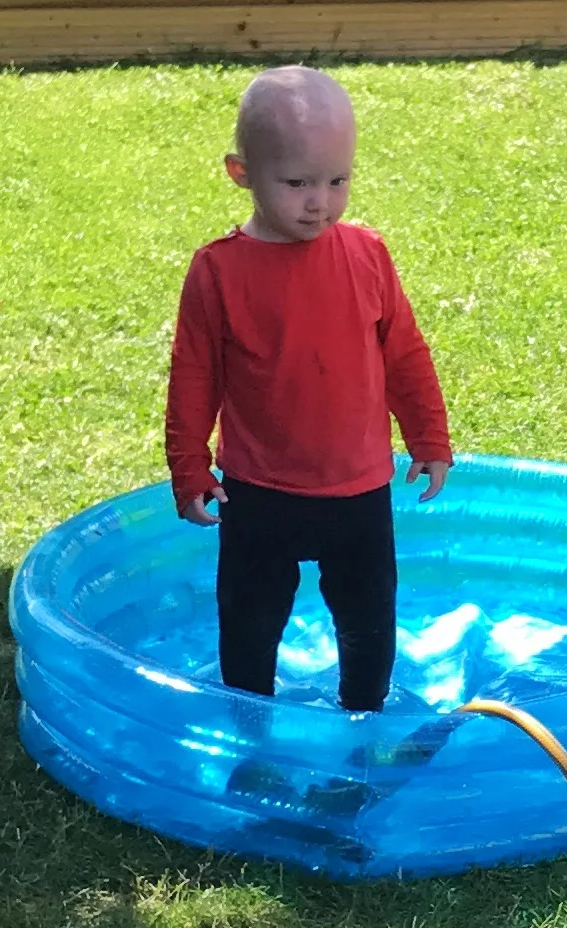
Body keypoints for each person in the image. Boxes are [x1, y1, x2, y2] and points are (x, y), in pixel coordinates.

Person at [165, 66, 453, 712]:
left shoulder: (366, 254)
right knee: (248, 622)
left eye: (337, 180)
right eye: (295, 183)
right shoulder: (219, 271)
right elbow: (193, 375)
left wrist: (428, 436)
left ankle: (362, 727)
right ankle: (248, 730)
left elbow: (403, 353)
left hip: (357, 491)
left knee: (370, 620)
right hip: (259, 492)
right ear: (241, 173)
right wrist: (188, 467)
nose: (318, 201)